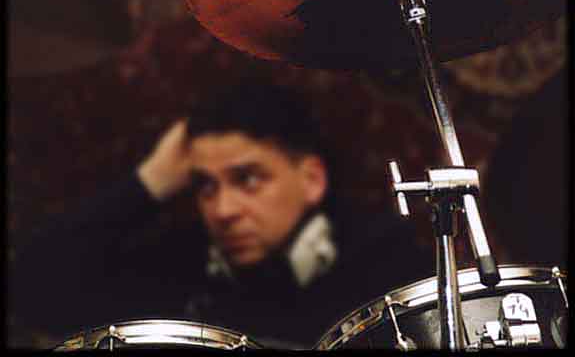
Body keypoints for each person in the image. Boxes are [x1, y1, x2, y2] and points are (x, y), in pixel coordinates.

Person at [9, 82, 431, 349]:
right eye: (205, 186)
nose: (222, 210)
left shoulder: (385, 260)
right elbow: (34, 294)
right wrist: (149, 183)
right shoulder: (180, 262)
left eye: (248, 179)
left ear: (311, 179)